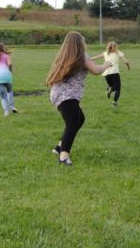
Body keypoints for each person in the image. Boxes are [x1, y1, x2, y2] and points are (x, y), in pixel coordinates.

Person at [46, 32, 112, 165]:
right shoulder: (81, 57)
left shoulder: (65, 56)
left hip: (58, 94)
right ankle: (63, 157)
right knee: (73, 122)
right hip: (67, 96)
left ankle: (59, 148)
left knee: (79, 119)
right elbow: (96, 70)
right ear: (80, 44)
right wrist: (107, 64)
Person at [91, 41, 131, 106]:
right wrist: (128, 67)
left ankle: (109, 89)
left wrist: (85, 59)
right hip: (115, 73)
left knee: (112, 86)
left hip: (106, 74)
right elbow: (126, 62)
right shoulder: (118, 53)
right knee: (117, 88)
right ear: (116, 47)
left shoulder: (105, 53)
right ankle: (114, 103)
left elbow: (94, 58)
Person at [0, 42, 17, 116]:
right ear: (3, 48)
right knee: (9, 91)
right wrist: (10, 70)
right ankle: (12, 106)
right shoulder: (7, 56)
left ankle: (6, 111)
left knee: (3, 96)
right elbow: (10, 64)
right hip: (7, 76)